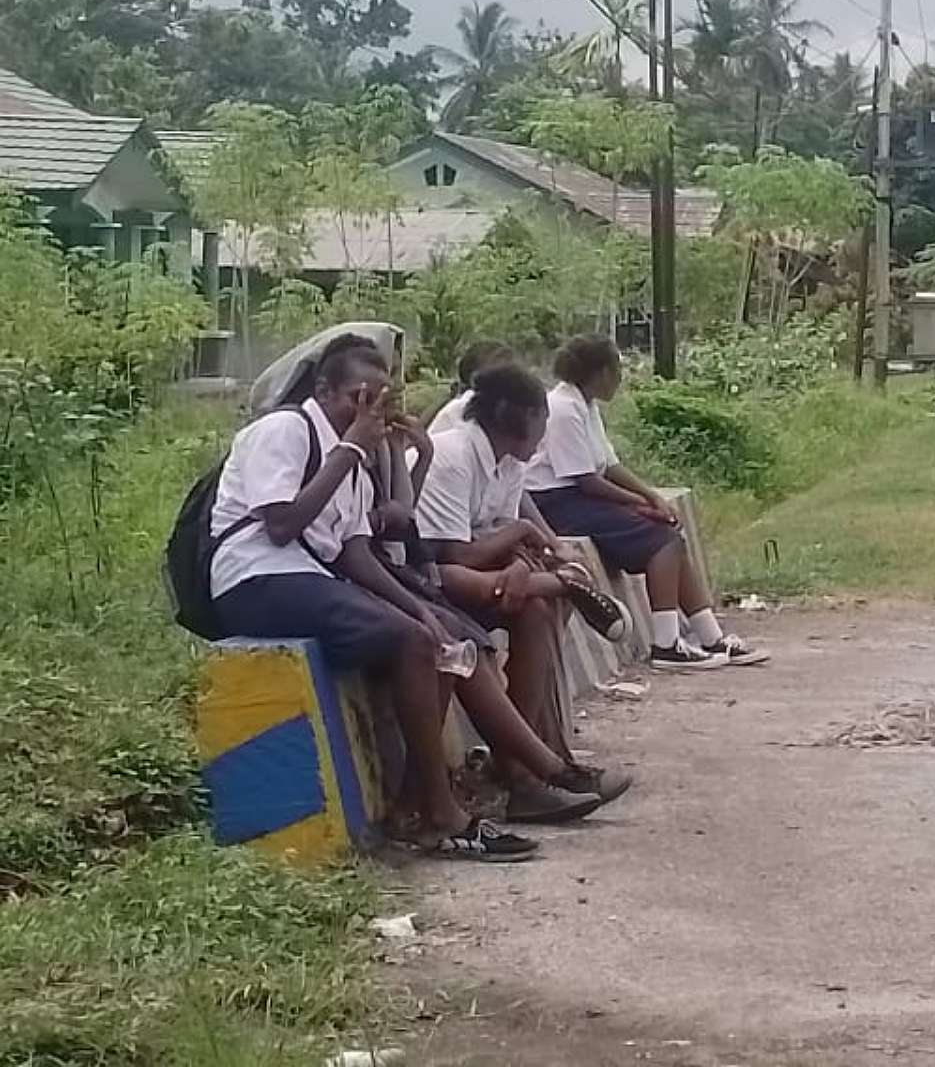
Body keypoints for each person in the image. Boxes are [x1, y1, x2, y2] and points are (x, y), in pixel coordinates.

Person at [209, 334, 620, 857]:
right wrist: (354, 446)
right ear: (323, 390)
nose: (371, 409)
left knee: (435, 639)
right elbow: (282, 525)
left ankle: (434, 804)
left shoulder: (353, 457)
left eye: (381, 399)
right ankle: (450, 811)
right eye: (359, 396)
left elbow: (357, 553)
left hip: (314, 578)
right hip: (256, 579)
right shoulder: (284, 431)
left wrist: (421, 610)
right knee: (413, 642)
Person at [416, 363, 638, 813]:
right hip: (435, 579)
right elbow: (454, 554)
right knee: (540, 594)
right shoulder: (452, 456)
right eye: (541, 417)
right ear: (516, 415)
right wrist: (519, 537)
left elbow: (502, 524)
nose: (544, 431)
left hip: (486, 574)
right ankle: (528, 770)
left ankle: (529, 767)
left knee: (535, 612)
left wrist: (526, 553)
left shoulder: (509, 461)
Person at [526, 334, 769, 671]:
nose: (620, 379)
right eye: (617, 370)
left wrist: (651, 496)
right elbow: (587, 479)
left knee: (671, 533)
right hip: (557, 502)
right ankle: (666, 644)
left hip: (578, 495)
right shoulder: (563, 409)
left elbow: (609, 465)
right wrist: (635, 505)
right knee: (662, 541)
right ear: (601, 373)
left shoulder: (586, 405)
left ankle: (710, 635)